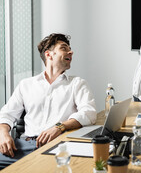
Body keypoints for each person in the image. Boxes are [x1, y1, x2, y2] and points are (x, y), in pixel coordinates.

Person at [0, 33, 97, 169]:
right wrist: (3, 134)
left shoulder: (77, 84)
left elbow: (89, 113)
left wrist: (59, 127)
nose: (71, 52)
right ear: (48, 54)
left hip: (58, 146)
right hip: (23, 146)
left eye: (70, 49)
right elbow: (6, 114)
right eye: (64, 48)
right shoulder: (26, 85)